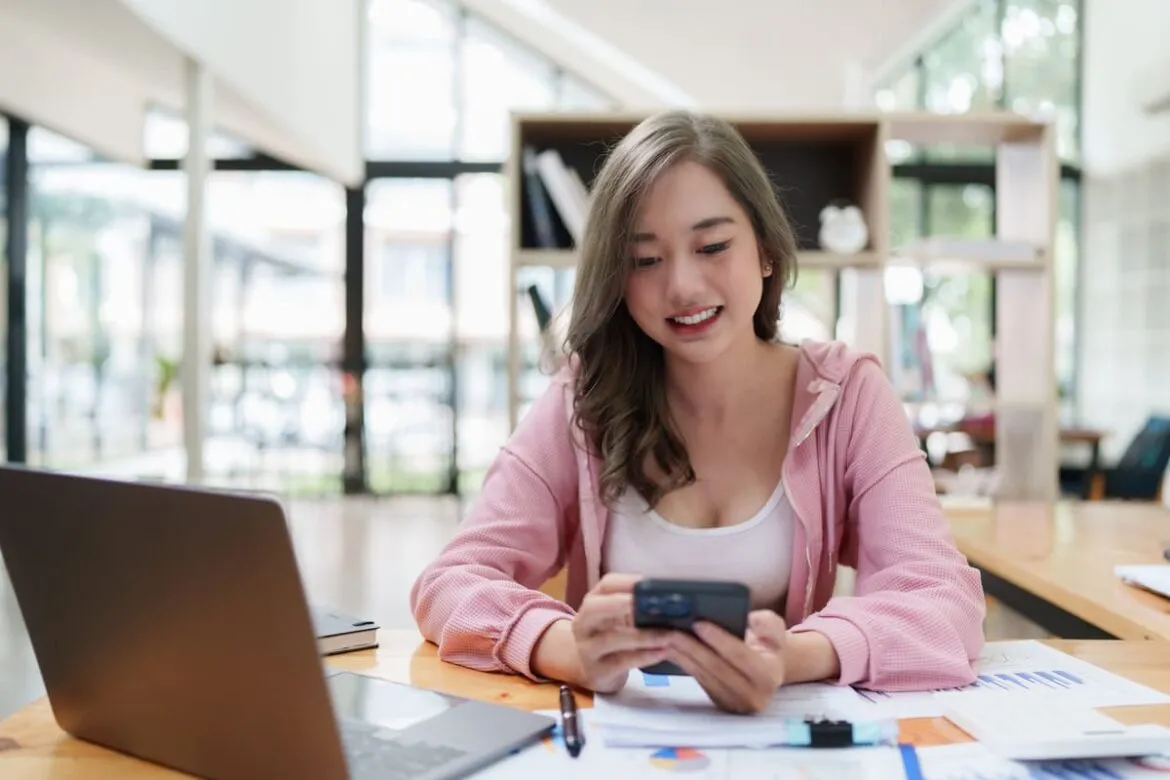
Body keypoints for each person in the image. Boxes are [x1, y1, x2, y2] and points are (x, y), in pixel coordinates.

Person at [410, 110, 985, 714]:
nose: (682, 285)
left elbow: (944, 603)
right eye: (644, 260)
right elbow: (452, 583)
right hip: (617, 744)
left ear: (766, 250)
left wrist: (794, 657)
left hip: (780, 742)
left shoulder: (846, 396)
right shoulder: (584, 397)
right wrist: (566, 649)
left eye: (712, 246)